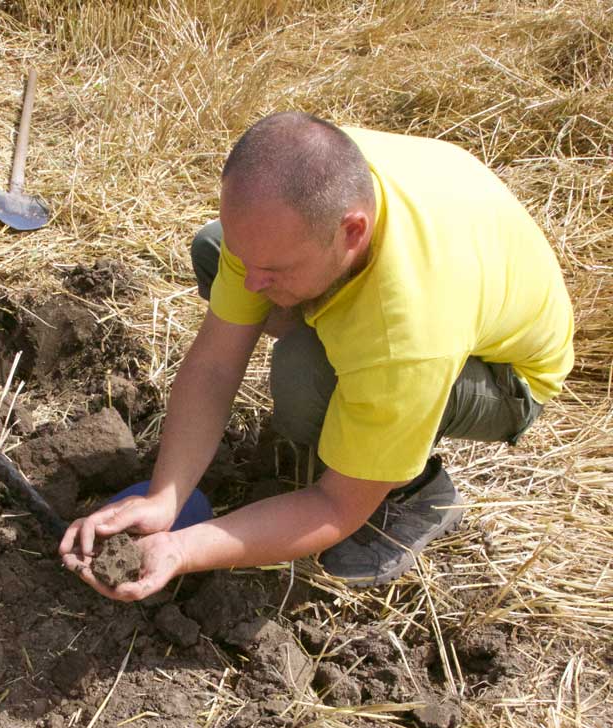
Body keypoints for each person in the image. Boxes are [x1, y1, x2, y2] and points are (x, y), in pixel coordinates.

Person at [60, 112, 574, 599]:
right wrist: (164, 497)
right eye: (251, 263)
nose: (253, 283)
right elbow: (214, 365)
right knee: (216, 251)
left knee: (306, 374)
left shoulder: (408, 334)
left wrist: (180, 549)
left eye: (274, 270)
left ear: (353, 232)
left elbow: (334, 506)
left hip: (506, 377)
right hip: (453, 255)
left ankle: (414, 490)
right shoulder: (314, 178)